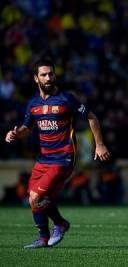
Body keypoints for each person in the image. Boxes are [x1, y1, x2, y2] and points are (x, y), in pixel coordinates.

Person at [5, 58, 110, 249]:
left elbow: (91, 116)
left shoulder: (66, 99)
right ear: (36, 78)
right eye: (43, 75)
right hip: (44, 158)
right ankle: (46, 236)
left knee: (37, 198)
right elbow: (26, 129)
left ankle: (58, 226)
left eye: (51, 74)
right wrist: (14, 133)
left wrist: (100, 144)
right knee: (33, 199)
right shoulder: (33, 103)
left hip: (64, 157)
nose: (48, 78)